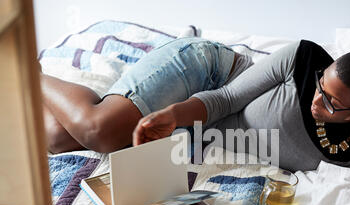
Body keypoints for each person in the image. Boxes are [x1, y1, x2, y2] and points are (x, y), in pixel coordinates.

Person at [133, 40, 350, 199]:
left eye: (333, 102)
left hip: (198, 129)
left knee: (120, 142)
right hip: (209, 73)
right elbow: (225, 98)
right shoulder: (303, 59)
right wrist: (174, 115)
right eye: (321, 84)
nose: (316, 100)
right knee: (101, 132)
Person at [42, 37, 253, 154]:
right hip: (213, 74)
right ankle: (29, 72)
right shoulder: (287, 67)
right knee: (96, 130)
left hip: (208, 122)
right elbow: (234, 94)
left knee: (58, 138)